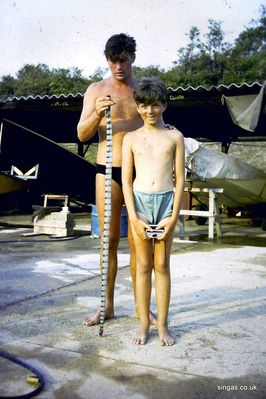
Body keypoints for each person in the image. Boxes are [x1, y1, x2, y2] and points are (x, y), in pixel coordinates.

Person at [77, 33, 159, 326]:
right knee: (108, 241)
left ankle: (142, 308)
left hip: (140, 172)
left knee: (140, 243)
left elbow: (158, 123)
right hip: (108, 171)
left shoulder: (144, 89)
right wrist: (97, 113)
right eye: (113, 61)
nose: (119, 67)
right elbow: (82, 134)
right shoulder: (95, 90)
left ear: (132, 58)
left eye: (123, 60)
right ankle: (106, 306)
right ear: (107, 61)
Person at [122, 77, 185, 345]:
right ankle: (144, 324)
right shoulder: (130, 138)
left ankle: (162, 325)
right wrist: (134, 218)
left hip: (166, 203)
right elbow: (125, 180)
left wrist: (173, 217)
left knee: (162, 265)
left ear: (165, 105)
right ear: (138, 107)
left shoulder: (175, 136)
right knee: (144, 266)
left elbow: (180, 179)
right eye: (145, 106)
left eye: (156, 105)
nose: (150, 111)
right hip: (140, 204)